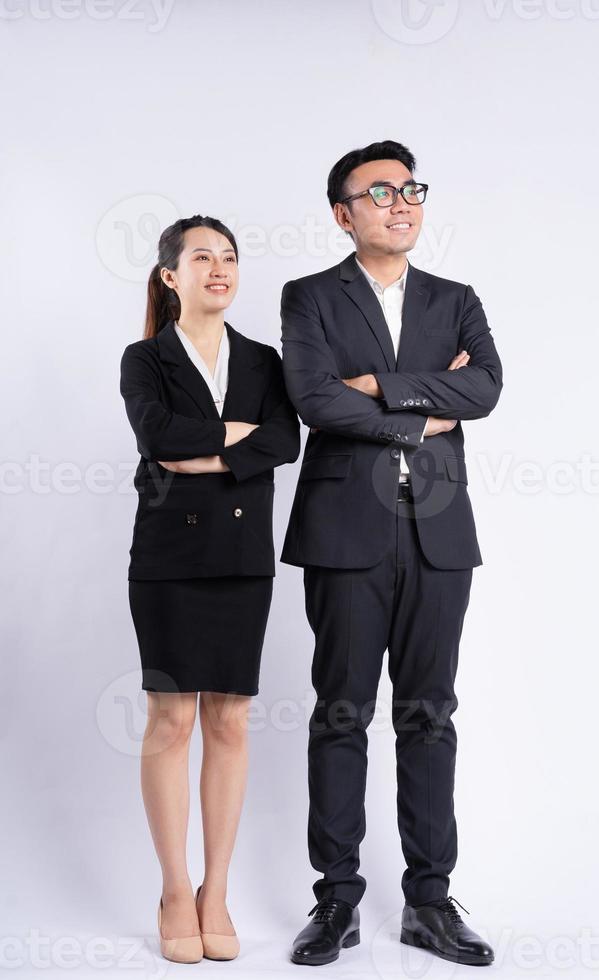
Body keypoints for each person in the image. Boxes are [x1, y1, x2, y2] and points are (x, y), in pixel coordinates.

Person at [280, 141, 503, 967]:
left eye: (410, 188)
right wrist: (421, 407)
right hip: (346, 532)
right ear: (344, 213)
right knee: (341, 712)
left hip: (440, 533)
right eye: (378, 192)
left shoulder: (456, 298)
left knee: (430, 715)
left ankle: (430, 904)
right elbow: (312, 399)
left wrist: (375, 384)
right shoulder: (308, 298)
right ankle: (335, 901)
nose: (400, 202)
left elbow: (485, 388)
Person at [119, 215, 300, 963]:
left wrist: (207, 448)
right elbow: (158, 439)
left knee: (228, 723)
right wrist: (234, 436)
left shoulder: (262, 359)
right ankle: (173, 888)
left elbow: (284, 440)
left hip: (242, 559)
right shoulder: (145, 357)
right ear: (171, 275)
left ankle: (215, 890)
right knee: (171, 723)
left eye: (229, 257)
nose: (220, 269)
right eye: (203, 257)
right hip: (166, 561)